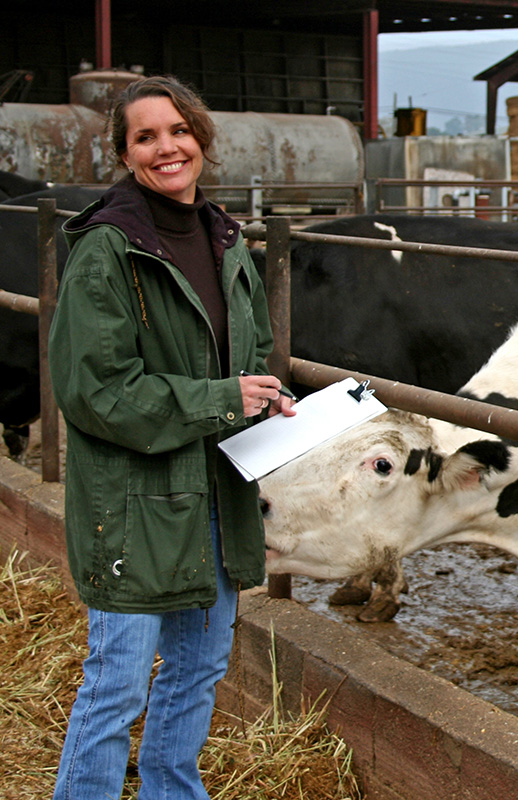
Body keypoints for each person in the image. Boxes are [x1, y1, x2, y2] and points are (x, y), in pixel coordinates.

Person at [49, 74, 295, 800]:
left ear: (201, 137)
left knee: (197, 671)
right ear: (125, 155)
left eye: (178, 131)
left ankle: (172, 791)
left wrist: (266, 396)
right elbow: (94, 392)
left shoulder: (227, 240)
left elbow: (248, 353)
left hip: (217, 492)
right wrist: (223, 398)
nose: (167, 148)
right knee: (118, 683)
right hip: (134, 506)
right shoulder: (108, 249)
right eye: (146, 137)